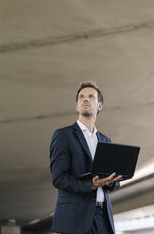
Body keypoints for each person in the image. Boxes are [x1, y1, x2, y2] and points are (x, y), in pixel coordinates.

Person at [50, 81, 122, 234]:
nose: (85, 99)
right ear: (77, 106)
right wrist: (91, 185)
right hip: (74, 219)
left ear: (99, 106)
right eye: (81, 97)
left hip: (103, 217)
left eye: (91, 96)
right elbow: (59, 178)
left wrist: (113, 180)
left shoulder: (105, 140)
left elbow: (113, 184)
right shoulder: (63, 135)